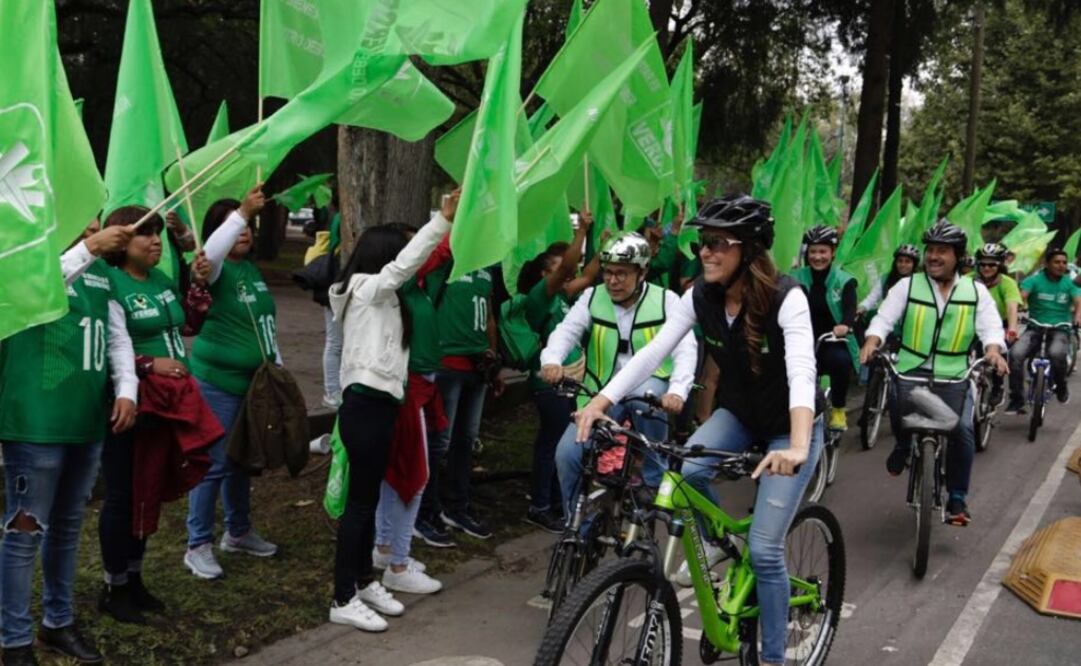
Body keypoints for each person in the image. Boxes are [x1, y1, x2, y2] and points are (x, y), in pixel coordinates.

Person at [575, 195, 821, 666]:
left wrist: (799, 445)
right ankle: (713, 545)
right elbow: (653, 353)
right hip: (740, 414)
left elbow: (803, 372)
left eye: (716, 243)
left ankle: (772, 657)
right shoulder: (700, 296)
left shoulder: (786, 299)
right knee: (683, 474)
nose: (704, 252)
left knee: (767, 552)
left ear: (748, 250)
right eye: (700, 242)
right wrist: (600, 402)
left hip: (788, 428)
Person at [0, 221, 137, 666]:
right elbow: (32, 291)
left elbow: (116, 337)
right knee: (25, 532)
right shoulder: (27, 258)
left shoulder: (103, 273)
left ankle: (58, 622)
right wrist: (88, 248)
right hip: (34, 422)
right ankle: (14, 640)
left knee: (67, 527)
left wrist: (126, 388)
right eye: (85, 217)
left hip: (85, 420)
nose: (95, 226)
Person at [325, 191, 458, 633]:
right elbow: (402, 268)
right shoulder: (363, 289)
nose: (406, 261)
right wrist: (440, 220)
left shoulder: (384, 299)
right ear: (383, 256)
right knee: (358, 508)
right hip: (363, 404)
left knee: (365, 502)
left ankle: (364, 580)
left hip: (383, 405)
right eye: (398, 251)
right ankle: (342, 596)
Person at [97, 207, 214, 623]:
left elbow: (190, 324)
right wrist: (149, 364)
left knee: (148, 490)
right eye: (143, 235)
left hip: (170, 403)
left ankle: (135, 578)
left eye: (157, 235)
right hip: (132, 403)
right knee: (123, 495)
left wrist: (198, 287)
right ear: (119, 241)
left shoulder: (161, 279)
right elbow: (108, 344)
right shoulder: (109, 283)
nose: (153, 242)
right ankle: (114, 587)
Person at [860, 220, 1007, 526]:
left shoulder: (976, 291)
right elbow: (884, 318)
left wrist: (993, 350)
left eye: (942, 251)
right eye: (931, 251)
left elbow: (991, 327)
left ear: (957, 256)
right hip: (910, 370)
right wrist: (872, 341)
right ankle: (903, 444)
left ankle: (956, 498)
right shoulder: (907, 285)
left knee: (962, 431)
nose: (934, 257)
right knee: (899, 414)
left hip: (955, 374)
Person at [541, 232, 698, 518]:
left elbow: (686, 348)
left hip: (648, 390)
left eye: (622, 274)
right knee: (567, 455)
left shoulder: (667, 300)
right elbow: (566, 332)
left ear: (643, 272)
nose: (612, 281)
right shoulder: (591, 297)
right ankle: (577, 524)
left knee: (642, 400)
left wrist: (677, 390)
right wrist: (551, 360)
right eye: (608, 272)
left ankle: (653, 474)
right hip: (601, 393)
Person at [183, 186, 283, 580]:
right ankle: (197, 544)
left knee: (242, 460)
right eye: (232, 226)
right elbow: (214, 248)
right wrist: (241, 210)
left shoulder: (252, 271)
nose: (243, 231)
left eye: (246, 226)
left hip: (253, 385)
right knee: (214, 463)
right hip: (217, 383)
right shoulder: (217, 267)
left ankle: (238, 532)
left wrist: (277, 368)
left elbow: (265, 326)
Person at [371, 223, 445, 596]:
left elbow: (445, 250)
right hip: (404, 390)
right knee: (414, 478)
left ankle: (385, 548)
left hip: (420, 387)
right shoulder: (393, 288)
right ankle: (399, 564)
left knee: (396, 475)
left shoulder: (418, 285)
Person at [415, 241, 503, 543]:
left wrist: (493, 356)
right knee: (439, 442)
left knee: (466, 440)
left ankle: (456, 506)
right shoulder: (446, 262)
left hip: (477, 367)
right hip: (447, 364)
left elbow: (489, 314)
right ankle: (423, 511)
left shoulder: (488, 266)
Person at [515, 213, 598, 532]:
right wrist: (582, 232)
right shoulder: (541, 296)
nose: (569, 271)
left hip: (569, 383)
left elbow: (588, 275)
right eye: (559, 268)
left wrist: (601, 246)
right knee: (551, 442)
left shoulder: (563, 298)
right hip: (548, 383)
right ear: (544, 273)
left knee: (561, 441)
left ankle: (554, 500)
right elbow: (568, 267)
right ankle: (539, 505)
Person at [791, 225, 858, 430]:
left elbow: (850, 309)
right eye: (813, 251)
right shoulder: (795, 277)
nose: (817, 257)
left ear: (832, 252)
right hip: (801, 339)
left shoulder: (844, 280)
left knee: (840, 361)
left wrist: (844, 325)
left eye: (823, 251)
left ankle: (838, 408)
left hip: (831, 339)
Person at [1006, 247, 1081, 411]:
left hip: (1060, 329)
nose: (1061, 266)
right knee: (1015, 354)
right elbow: (1021, 297)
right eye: (1056, 262)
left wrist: (1078, 316)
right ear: (1047, 264)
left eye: (1063, 262)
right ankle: (1017, 398)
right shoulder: (1034, 281)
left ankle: (1061, 387)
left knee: (1057, 354)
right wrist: (1018, 307)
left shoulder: (1070, 283)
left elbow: (1078, 302)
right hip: (1035, 328)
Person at [858, 244, 921, 317]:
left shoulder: (919, 282)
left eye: (907, 262)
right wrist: (862, 307)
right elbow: (872, 298)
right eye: (900, 261)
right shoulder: (886, 278)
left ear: (914, 265)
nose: (903, 265)